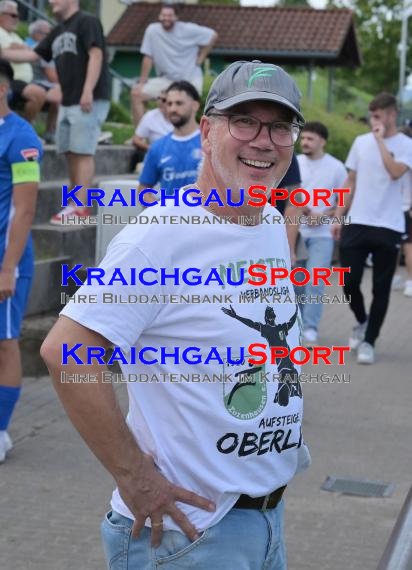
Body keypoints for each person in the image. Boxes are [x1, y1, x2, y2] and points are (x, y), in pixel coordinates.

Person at [41, 60, 311, 569]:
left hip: (265, 518)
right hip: (189, 535)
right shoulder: (158, 239)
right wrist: (135, 477)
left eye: (280, 126)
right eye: (244, 121)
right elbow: (63, 352)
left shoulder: (272, 221)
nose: (264, 140)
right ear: (207, 131)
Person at [1, 0, 110, 224]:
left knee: (83, 151)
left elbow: (96, 54)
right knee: (70, 151)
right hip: (69, 99)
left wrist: (87, 90)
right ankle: (74, 204)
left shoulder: (87, 21)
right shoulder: (58, 30)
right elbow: (33, 55)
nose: (51, 2)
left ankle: (81, 208)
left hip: (88, 98)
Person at [333, 92, 412, 364]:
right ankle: (362, 320)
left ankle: (369, 341)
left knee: (381, 288)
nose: (373, 122)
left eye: (378, 116)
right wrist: (338, 215)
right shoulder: (359, 142)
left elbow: (395, 172)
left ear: (391, 115)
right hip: (357, 221)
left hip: (389, 225)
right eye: (371, 116)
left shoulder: (405, 144)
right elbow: (350, 182)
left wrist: (380, 141)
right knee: (349, 281)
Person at [0, 59, 42, 462]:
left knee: (5, 344)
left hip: (5, 260)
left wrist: (8, 266)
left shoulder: (22, 136)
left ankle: (0, 432)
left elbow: (25, 209)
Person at [297, 121, 347, 347]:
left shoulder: (336, 167)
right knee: (295, 282)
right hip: (295, 231)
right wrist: (303, 208)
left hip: (323, 235)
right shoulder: (294, 163)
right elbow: (287, 192)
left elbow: (342, 201)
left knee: (315, 282)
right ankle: (294, 326)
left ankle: (310, 328)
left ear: (322, 142)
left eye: (310, 139)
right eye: (303, 138)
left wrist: (323, 215)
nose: (305, 143)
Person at [131, 3, 218, 125]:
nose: (166, 18)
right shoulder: (152, 30)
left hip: (190, 78)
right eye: (163, 15)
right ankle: (140, 135)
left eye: (170, 15)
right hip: (166, 80)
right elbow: (147, 57)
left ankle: (195, 137)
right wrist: (142, 82)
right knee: (136, 94)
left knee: (185, 107)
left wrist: (201, 57)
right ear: (159, 16)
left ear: (176, 17)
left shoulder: (188, 29)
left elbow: (213, 36)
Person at [138, 80, 202, 200]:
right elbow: (143, 191)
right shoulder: (158, 147)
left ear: (195, 105)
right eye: (169, 103)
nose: (173, 109)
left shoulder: (210, 142)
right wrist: (161, 213)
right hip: (172, 218)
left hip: (205, 218)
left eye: (179, 103)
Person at [0, 0, 46, 122]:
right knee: (38, 93)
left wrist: (19, 50)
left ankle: (48, 132)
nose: (17, 19)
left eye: (18, 16)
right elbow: (5, 54)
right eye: (13, 15)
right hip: (8, 79)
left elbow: (31, 53)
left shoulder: (15, 36)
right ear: (1, 14)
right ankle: (24, 129)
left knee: (59, 93)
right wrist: (15, 51)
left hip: (24, 82)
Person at [27, 19, 62, 144]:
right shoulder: (41, 48)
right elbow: (51, 76)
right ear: (36, 34)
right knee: (61, 93)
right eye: (47, 34)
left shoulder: (30, 44)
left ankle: (51, 132)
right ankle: (51, 132)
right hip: (37, 83)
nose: (51, 37)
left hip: (38, 83)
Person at [130, 89, 172, 173]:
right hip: (156, 158)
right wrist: (152, 148)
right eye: (158, 98)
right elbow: (136, 139)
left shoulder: (180, 118)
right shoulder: (150, 116)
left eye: (164, 100)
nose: (160, 102)